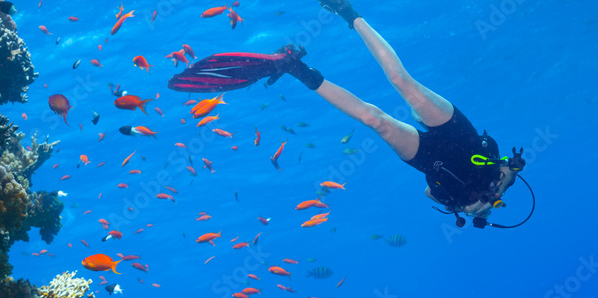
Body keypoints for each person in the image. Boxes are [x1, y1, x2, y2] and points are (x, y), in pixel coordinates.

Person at [168, 0, 527, 227]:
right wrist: (504, 178)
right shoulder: (501, 183)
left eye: (485, 212)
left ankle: (296, 68)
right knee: (404, 83)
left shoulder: (461, 204)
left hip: (430, 160)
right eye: (490, 208)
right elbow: (510, 165)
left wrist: (464, 209)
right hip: (460, 137)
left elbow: (429, 196)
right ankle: (348, 12)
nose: (486, 207)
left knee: (376, 121)